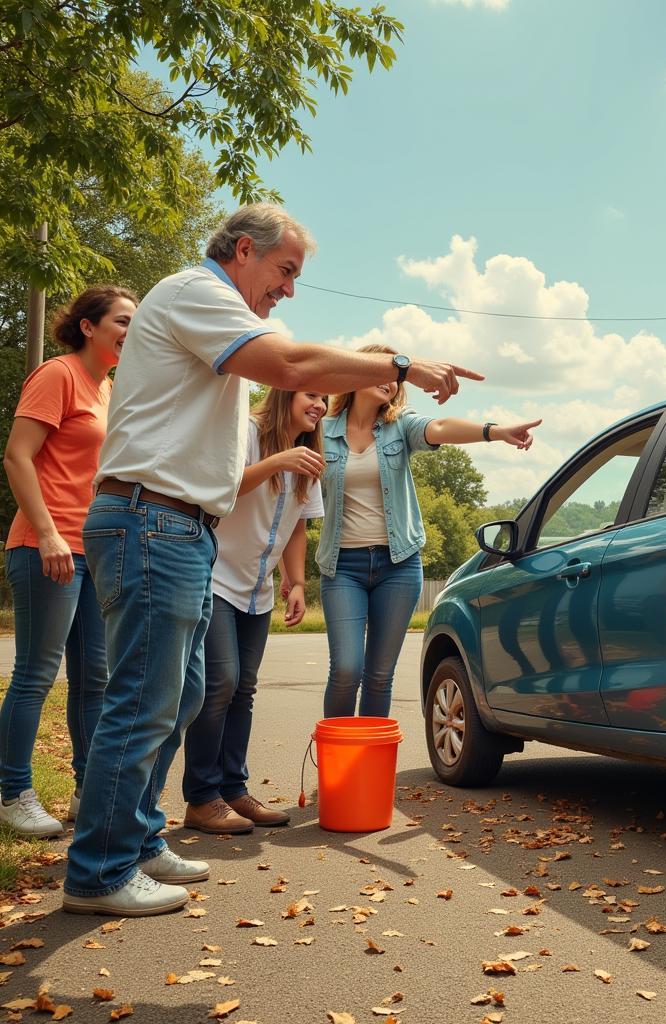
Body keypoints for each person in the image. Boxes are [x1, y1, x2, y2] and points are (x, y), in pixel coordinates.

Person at [62, 203, 482, 918]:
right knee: (142, 699)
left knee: (184, 695)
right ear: (245, 250)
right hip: (150, 520)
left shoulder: (215, 312)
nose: (288, 289)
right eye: (285, 271)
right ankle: (98, 870)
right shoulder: (199, 294)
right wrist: (400, 363)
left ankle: (133, 839)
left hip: (181, 527)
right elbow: (290, 364)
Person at [316, 342, 540, 719]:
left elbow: (439, 427)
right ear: (358, 375)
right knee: (346, 670)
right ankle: (335, 759)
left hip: (398, 566)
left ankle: (367, 769)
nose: (390, 382)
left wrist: (495, 431)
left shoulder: (399, 427)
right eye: (384, 372)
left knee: (379, 676)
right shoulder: (321, 431)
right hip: (342, 568)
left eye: (395, 379)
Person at [0, 285, 137, 837]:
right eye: (123, 321)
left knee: (94, 679)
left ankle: (88, 790)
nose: (132, 331)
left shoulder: (108, 391)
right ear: (89, 326)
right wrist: (51, 534)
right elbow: (17, 455)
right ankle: (13, 792)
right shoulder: (58, 375)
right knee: (36, 674)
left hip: (93, 551)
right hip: (45, 546)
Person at [182, 388, 326, 835]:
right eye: (311, 394)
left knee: (243, 688)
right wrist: (278, 461)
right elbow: (222, 490)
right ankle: (202, 798)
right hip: (217, 576)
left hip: (257, 588)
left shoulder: (310, 458)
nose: (320, 405)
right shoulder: (245, 432)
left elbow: (298, 525)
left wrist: (296, 581)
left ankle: (233, 790)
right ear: (286, 394)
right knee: (220, 682)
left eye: (325, 398)